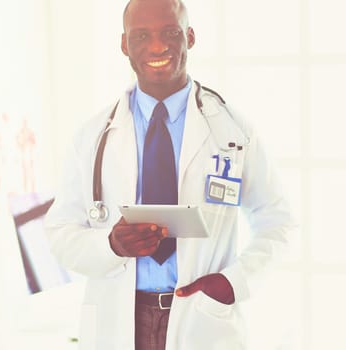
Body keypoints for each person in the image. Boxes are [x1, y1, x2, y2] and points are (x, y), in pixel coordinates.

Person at [45, 0, 295, 349]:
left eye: (170, 33)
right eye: (142, 35)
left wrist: (233, 282)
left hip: (201, 318)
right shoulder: (92, 137)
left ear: (190, 37)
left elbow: (278, 222)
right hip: (121, 320)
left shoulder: (234, 131)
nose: (158, 46)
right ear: (124, 45)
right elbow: (60, 233)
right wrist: (111, 245)